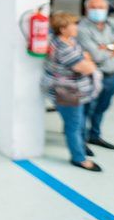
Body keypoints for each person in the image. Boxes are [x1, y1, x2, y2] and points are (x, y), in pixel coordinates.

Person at [41, 11, 101, 172]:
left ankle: (80, 146)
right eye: (73, 25)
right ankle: (79, 158)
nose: (76, 27)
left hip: (76, 90)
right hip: (67, 92)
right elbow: (88, 68)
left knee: (78, 121)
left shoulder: (69, 40)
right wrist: (89, 61)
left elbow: (85, 58)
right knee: (73, 125)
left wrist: (86, 59)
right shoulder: (64, 48)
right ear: (62, 29)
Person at [78, 0, 114, 150]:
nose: (98, 11)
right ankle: (81, 141)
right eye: (94, 7)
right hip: (92, 77)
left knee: (101, 107)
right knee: (86, 110)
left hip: (111, 76)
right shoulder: (82, 28)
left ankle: (95, 136)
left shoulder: (111, 23)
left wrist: (106, 47)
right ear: (87, 9)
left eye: (101, 8)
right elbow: (96, 55)